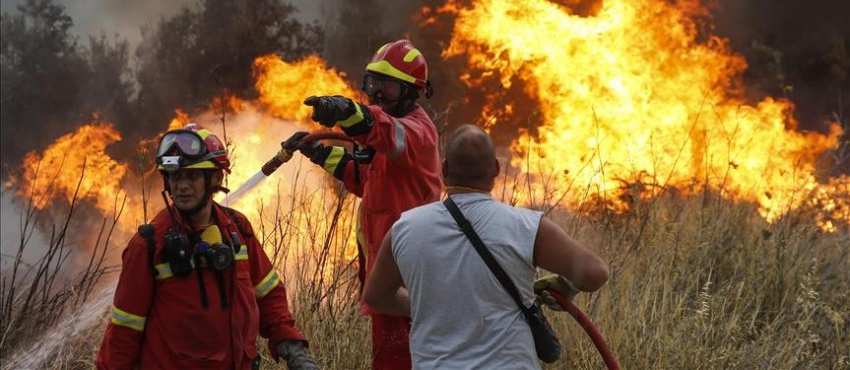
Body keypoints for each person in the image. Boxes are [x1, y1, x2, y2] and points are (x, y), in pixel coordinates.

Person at [363, 124, 610, 369]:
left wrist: (430, 302)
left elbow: (377, 296)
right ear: (496, 169)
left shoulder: (406, 227)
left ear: (445, 169)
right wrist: (566, 286)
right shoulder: (525, 226)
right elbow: (595, 274)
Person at [96, 123, 319, 370]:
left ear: (215, 178)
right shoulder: (149, 245)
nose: (181, 186)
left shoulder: (237, 229)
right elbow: (124, 331)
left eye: (191, 176)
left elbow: (268, 294)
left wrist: (293, 347)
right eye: (175, 176)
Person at [284, 39, 442, 369]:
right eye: (373, 84)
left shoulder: (415, 132)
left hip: (410, 272)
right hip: (386, 269)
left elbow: (380, 128)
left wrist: (344, 110)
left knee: (407, 358)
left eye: (389, 87)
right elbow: (366, 179)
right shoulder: (384, 139)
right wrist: (320, 153)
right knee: (389, 356)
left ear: (412, 92)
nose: (379, 93)